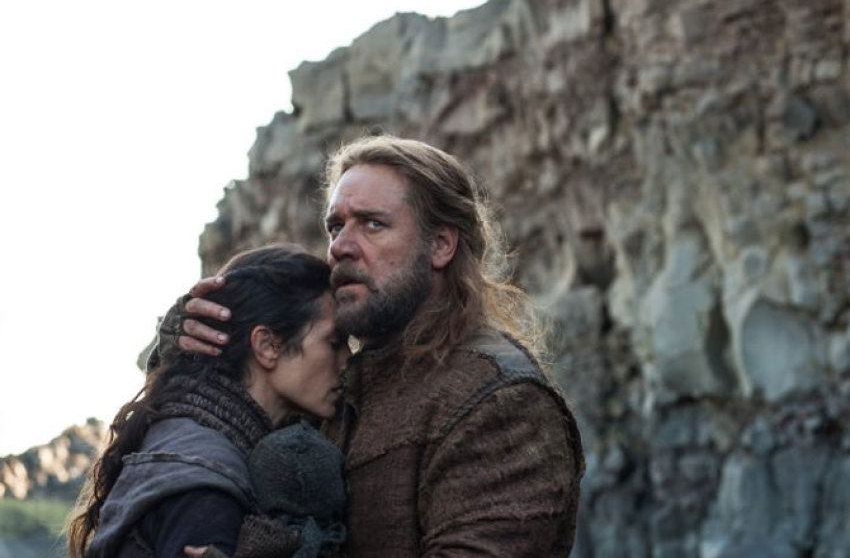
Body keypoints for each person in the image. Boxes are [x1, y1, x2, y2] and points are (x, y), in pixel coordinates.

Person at [161, 135, 585, 557]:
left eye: (372, 224)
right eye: (335, 226)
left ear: (440, 245)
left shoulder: (500, 402)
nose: (340, 246)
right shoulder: (339, 380)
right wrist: (193, 347)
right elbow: (220, 443)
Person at [67, 245, 350, 558]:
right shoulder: (208, 486)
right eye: (335, 343)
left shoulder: (189, 436)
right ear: (267, 346)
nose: (347, 361)